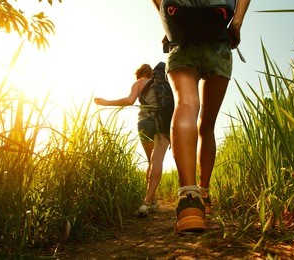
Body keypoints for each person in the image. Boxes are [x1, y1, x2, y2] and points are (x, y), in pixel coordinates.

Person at [153, 0, 251, 233]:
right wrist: (236, 23)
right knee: (207, 125)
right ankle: (204, 195)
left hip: (181, 41)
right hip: (218, 41)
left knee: (186, 104)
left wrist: (169, 25)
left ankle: (189, 200)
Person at [94, 63, 171, 217]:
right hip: (162, 122)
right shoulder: (163, 84)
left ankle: (151, 200)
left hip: (144, 123)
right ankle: (148, 201)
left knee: (150, 161)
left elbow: (130, 101)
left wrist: (107, 102)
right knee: (157, 160)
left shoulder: (138, 84)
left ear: (139, 73)